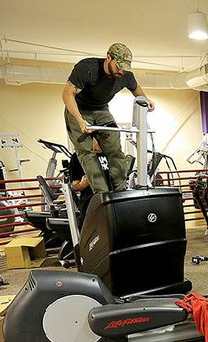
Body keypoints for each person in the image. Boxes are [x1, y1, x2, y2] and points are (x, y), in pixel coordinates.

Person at [62, 43, 154, 194]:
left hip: (102, 109)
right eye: (118, 67)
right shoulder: (87, 68)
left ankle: (120, 191)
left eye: (124, 68)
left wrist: (145, 99)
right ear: (108, 57)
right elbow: (67, 94)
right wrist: (79, 120)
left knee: (114, 148)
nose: (121, 71)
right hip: (79, 109)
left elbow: (135, 88)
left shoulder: (126, 75)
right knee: (87, 152)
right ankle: (102, 194)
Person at [67, 137, 107, 225]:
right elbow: (75, 186)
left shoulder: (109, 154)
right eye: (97, 140)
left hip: (109, 201)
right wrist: (82, 184)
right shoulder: (77, 157)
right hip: (90, 203)